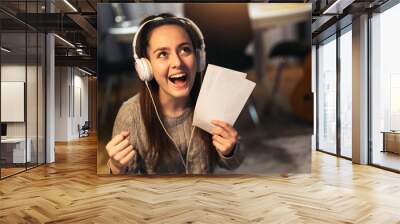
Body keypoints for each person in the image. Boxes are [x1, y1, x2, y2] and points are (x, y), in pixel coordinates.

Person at [106, 13, 244, 175]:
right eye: (163, 54)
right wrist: (115, 167)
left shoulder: (211, 102)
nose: (177, 62)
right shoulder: (130, 115)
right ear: (145, 67)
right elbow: (125, 186)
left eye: (185, 50)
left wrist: (230, 150)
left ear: (199, 58)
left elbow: (234, 163)